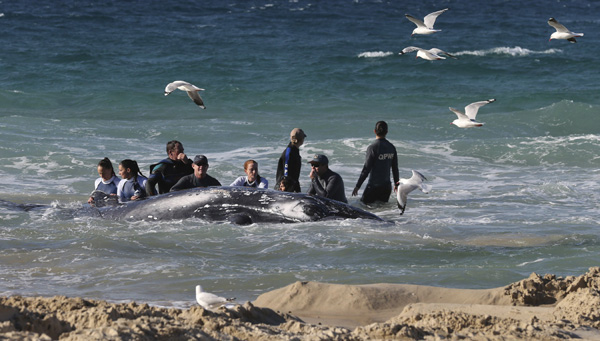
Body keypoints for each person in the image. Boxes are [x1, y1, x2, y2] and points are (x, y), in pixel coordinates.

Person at [352, 121, 399, 204]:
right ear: (386, 132)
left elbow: (366, 169)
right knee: (383, 211)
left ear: (374, 131)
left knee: (363, 208)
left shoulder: (372, 148)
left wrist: (357, 186)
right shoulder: (391, 147)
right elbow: (395, 168)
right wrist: (396, 184)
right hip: (386, 187)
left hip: (373, 187)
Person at [275, 128, 306, 193]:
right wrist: (285, 187)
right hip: (285, 187)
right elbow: (286, 171)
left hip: (292, 185)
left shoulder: (294, 150)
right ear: (300, 139)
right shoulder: (289, 151)